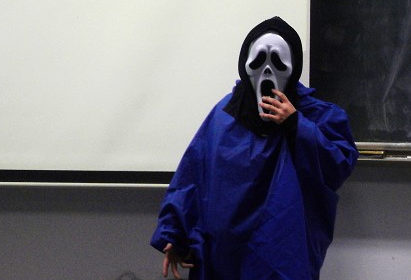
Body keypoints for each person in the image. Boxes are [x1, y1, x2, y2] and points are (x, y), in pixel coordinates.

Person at [150, 16, 358, 279]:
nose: (267, 71)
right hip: (223, 260)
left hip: (282, 255)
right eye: (258, 60)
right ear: (245, 64)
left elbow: (338, 165)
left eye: (278, 62)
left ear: (293, 68)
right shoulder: (225, 115)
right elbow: (192, 176)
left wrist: (296, 124)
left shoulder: (317, 116)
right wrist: (175, 234)